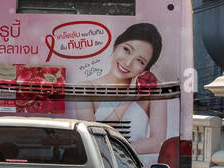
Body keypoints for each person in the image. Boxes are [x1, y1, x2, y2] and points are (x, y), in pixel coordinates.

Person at [69, 22, 168, 156]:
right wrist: (127, 99)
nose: (127, 63)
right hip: (100, 166)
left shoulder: (154, 90)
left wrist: (118, 153)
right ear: (116, 45)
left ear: (146, 68)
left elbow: (158, 142)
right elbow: (92, 139)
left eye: (140, 61)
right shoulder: (85, 88)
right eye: (127, 50)